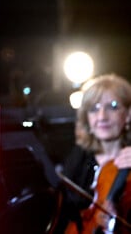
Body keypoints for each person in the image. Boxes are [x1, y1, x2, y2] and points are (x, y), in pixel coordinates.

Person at [55, 74, 131, 233]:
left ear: (128, 114)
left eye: (113, 106)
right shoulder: (77, 158)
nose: (102, 116)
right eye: (94, 109)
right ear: (86, 117)